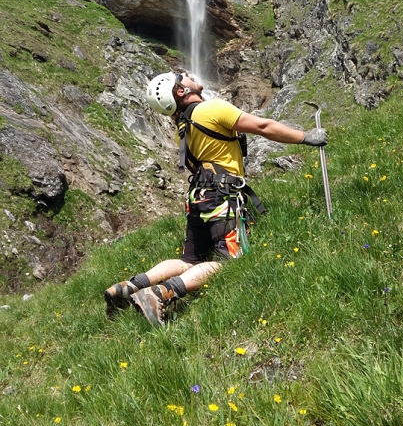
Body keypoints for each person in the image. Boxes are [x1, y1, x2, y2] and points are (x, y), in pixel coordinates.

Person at [104, 71, 328, 325]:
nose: (187, 74)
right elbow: (263, 126)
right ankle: (160, 294)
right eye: (181, 76)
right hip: (223, 196)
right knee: (229, 261)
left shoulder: (184, 126)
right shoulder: (211, 109)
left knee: (190, 260)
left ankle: (126, 287)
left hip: (198, 197)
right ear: (180, 91)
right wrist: (305, 137)